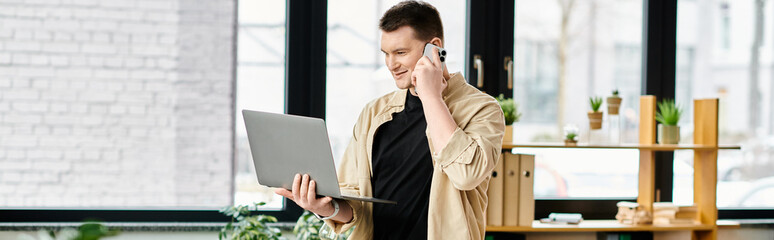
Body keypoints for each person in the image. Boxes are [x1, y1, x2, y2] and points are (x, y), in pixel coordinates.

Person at [274, 1, 504, 239]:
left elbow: (467, 175)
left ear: (434, 48)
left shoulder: (482, 109)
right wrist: (325, 209)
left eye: (401, 53)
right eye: (386, 54)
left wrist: (431, 96)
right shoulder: (374, 113)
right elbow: (355, 206)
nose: (391, 64)